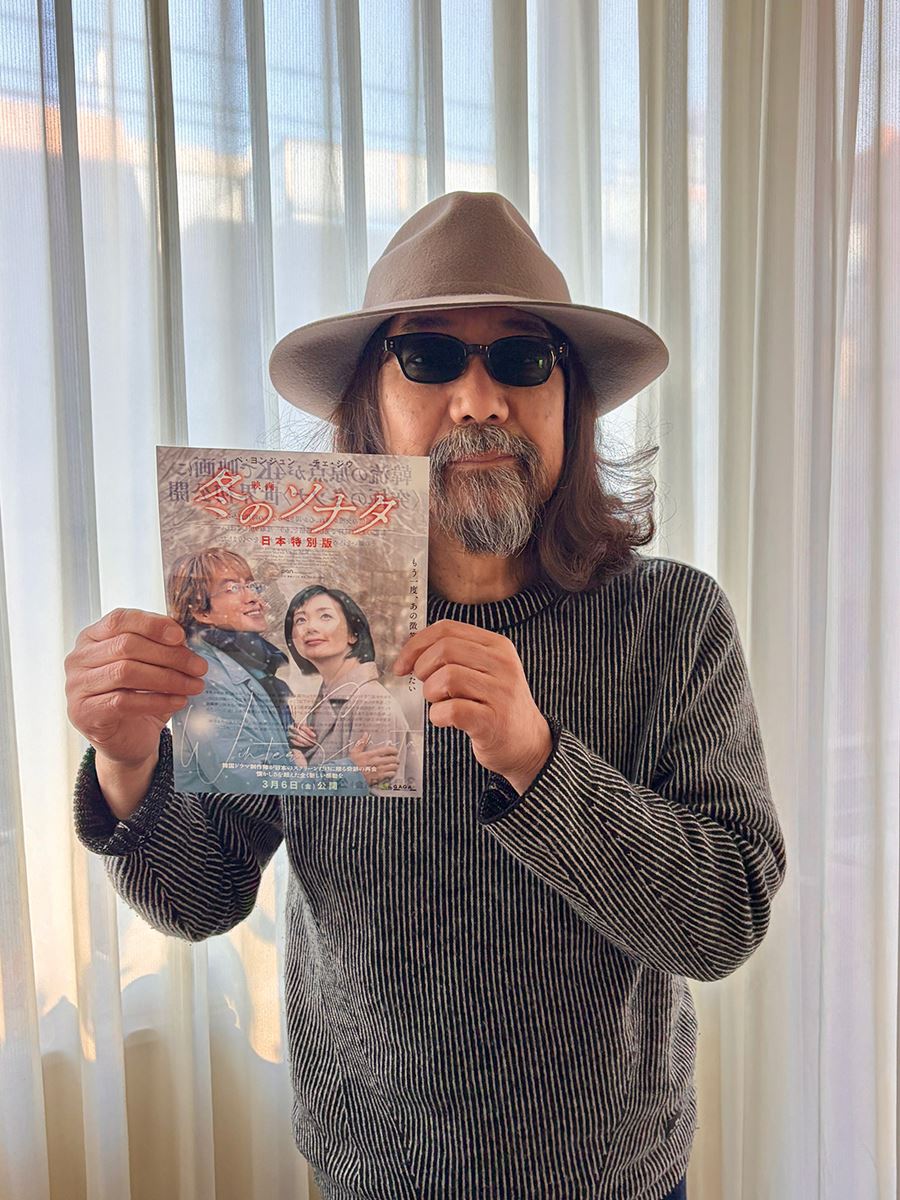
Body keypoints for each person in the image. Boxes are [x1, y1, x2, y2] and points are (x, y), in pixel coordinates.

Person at [65, 191, 786, 1200]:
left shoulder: (674, 620)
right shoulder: (298, 628)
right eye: (430, 357)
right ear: (371, 404)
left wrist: (538, 761)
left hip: (617, 1174)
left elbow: (725, 920)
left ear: (571, 401)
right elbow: (199, 898)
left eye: (524, 359)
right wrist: (128, 760)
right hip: (374, 1174)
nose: (480, 399)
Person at [164, 547, 303, 791]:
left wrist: (297, 748)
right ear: (201, 611)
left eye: (251, 585)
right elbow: (244, 782)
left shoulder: (252, 667)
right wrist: (352, 772)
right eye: (232, 589)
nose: (253, 598)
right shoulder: (204, 677)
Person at [284, 584, 423, 794]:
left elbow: (382, 798)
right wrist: (297, 750)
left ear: (353, 634)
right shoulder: (328, 694)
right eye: (301, 620)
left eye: (325, 616)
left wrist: (305, 772)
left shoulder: (371, 702)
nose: (310, 627)